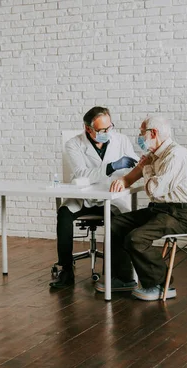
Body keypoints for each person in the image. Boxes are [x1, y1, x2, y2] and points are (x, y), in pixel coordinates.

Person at [108, 115, 187, 301]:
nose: (140, 137)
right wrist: (122, 180)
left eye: (142, 133)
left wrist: (147, 168)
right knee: (115, 224)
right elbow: (131, 177)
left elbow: (154, 190)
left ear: (153, 133)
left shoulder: (176, 155)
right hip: (160, 210)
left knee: (136, 238)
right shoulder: (154, 155)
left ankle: (161, 285)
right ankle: (124, 278)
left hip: (181, 214)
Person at [50, 106, 139, 289]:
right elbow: (82, 173)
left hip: (111, 197)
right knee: (64, 215)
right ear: (87, 129)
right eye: (101, 130)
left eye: (109, 127)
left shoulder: (121, 140)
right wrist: (112, 166)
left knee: (122, 221)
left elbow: (134, 167)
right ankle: (66, 271)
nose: (107, 132)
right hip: (84, 197)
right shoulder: (73, 144)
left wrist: (127, 174)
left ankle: (119, 274)